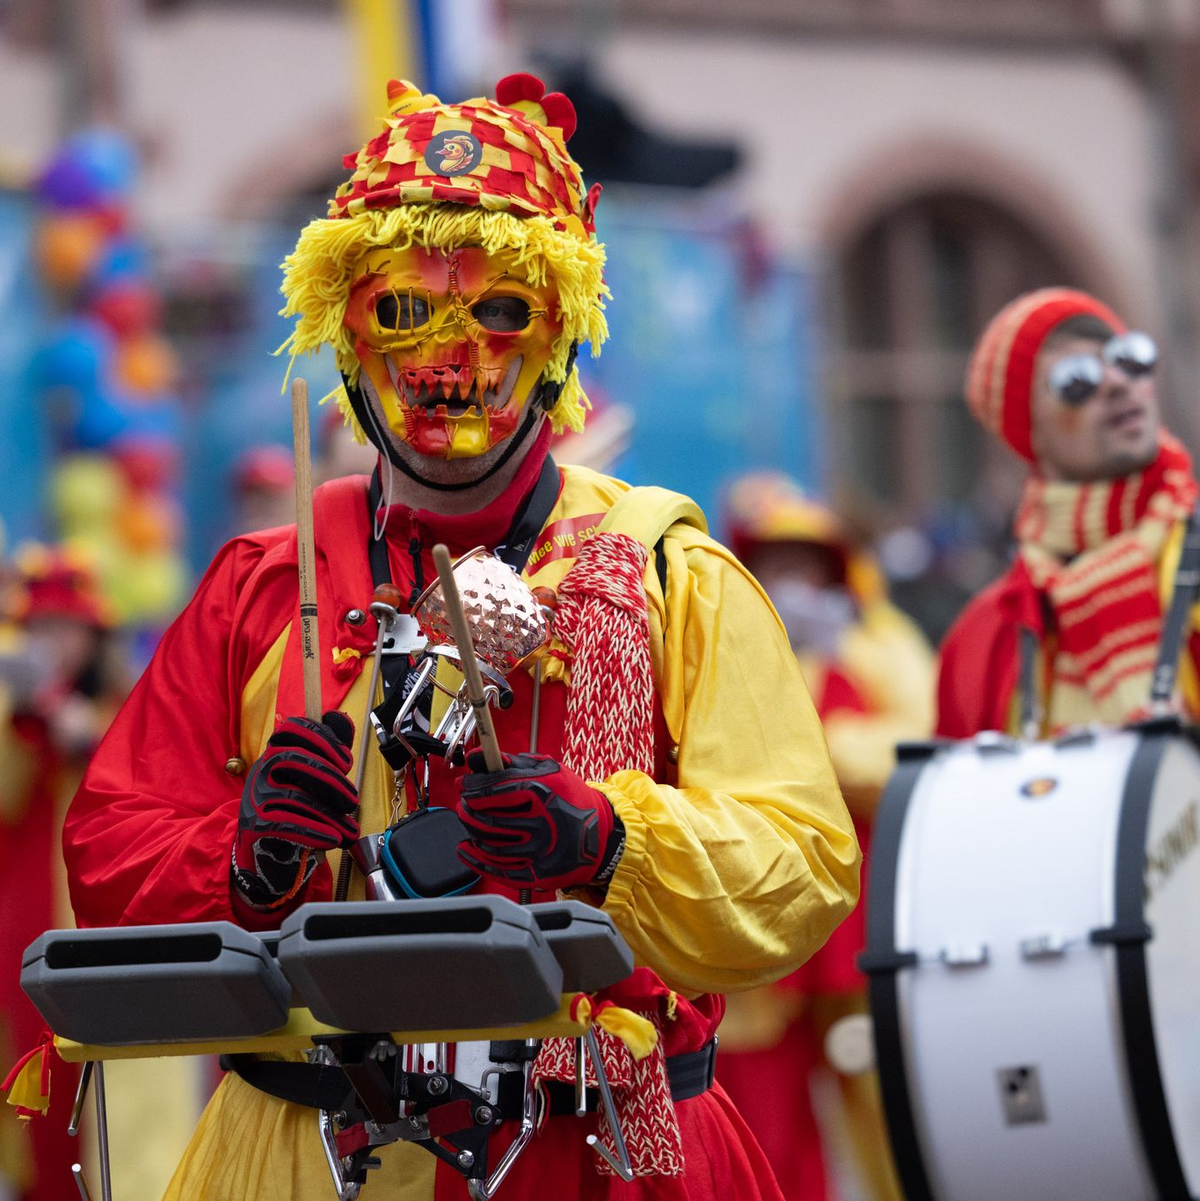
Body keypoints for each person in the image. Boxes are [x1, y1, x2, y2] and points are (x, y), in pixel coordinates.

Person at [61, 75, 859, 1200]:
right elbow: (108, 851)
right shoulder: (262, 583)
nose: (449, 356)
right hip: (308, 1153)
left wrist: (609, 841)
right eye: (402, 309)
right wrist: (245, 858)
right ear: (348, 336)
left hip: (595, 1151)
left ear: (559, 335)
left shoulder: (669, 574)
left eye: (499, 311)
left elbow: (803, 866)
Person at [717, 475, 931, 1201]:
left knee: (887, 1106)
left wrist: (818, 742)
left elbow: (921, 747)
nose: (791, 580)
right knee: (764, 1118)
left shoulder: (880, 644)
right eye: (774, 564)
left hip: (863, 921)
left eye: (803, 563)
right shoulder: (726, 648)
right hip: (765, 914)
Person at [938, 287, 1199, 738]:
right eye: (1076, 378)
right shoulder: (982, 640)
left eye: (1127, 359)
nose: (1117, 382)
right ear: (1029, 432)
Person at [0, 546, 120, 1201]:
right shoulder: (15, 718)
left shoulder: (120, 708)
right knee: (29, 1082)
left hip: (100, 930)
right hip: (23, 930)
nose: (55, 642)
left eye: (68, 627)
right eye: (41, 628)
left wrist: (84, 731)